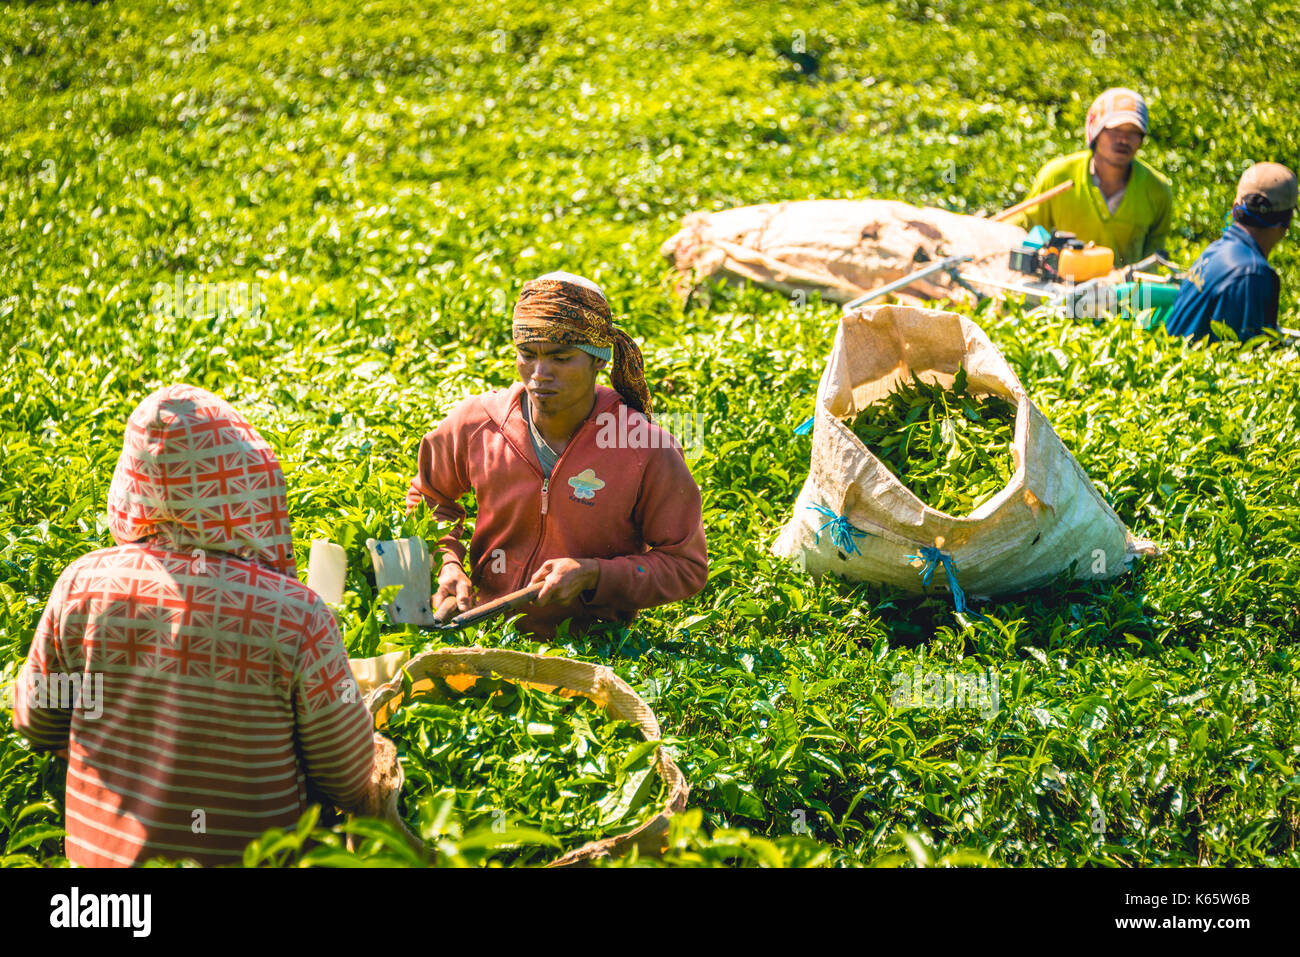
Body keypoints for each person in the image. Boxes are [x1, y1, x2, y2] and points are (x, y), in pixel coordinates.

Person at [13, 385, 380, 866]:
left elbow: (35, 723)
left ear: (132, 480)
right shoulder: (296, 614)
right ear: (244, 479)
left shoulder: (80, 586)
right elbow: (347, 776)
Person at [406, 271, 709, 637]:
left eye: (561, 358)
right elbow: (429, 497)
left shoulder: (642, 446)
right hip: (481, 633)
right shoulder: (478, 423)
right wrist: (446, 563)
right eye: (527, 355)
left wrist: (594, 575)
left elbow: (684, 566)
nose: (539, 374)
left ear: (599, 360)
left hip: (591, 649)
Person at [1010, 87, 1173, 267]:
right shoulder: (1057, 176)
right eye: (1114, 129)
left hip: (1123, 294)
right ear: (1095, 130)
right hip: (1057, 290)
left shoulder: (1157, 190)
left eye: (1133, 132)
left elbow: (1153, 260)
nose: (1123, 140)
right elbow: (1021, 230)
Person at [1164, 162, 1296, 341]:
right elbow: (1244, 355)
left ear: (1235, 207)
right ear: (1287, 220)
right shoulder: (1252, 274)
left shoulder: (1215, 250)